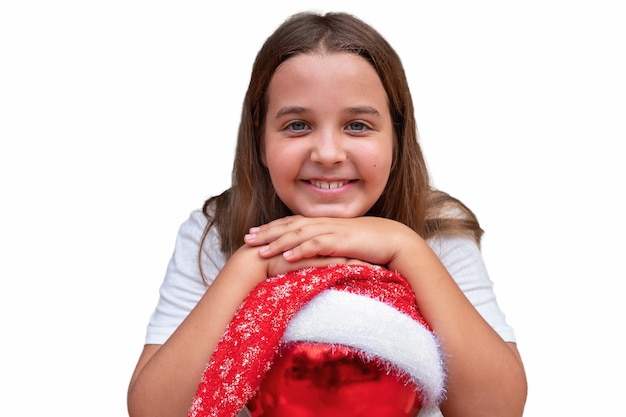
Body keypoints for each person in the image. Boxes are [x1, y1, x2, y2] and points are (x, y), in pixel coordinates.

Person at [127, 11, 527, 417]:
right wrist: (251, 264)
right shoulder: (213, 235)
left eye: (357, 125)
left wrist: (406, 248)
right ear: (260, 139)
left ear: (397, 137)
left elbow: (497, 410)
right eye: (298, 125)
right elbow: (154, 411)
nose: (328, 154)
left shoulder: (437, 230)